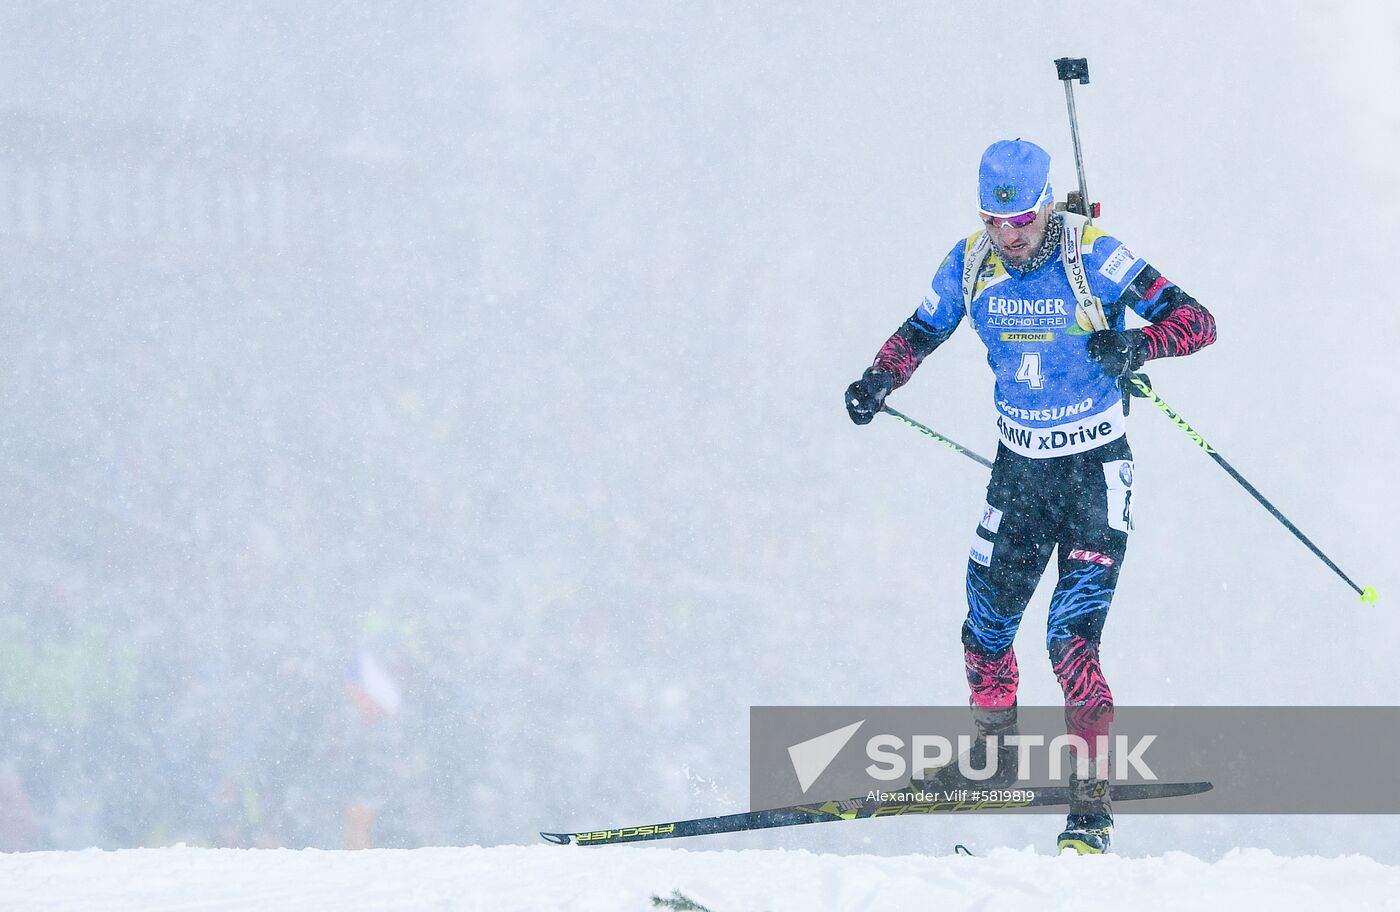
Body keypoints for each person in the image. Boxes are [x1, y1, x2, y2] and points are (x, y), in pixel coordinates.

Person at [844, 139, 1216, 854]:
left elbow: (1196, 321)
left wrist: (1138, 346)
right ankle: (992, 758)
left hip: (1094, 474)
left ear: (1047, 205)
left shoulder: (1093, 254)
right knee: (984, 630)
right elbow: (923, 329)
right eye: (993, 220)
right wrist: (877, 379)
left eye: (1021, 221)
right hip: (1020, 474)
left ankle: (1090, 808)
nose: (1008, 237)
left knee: (1068, 640)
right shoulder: (970, 262)